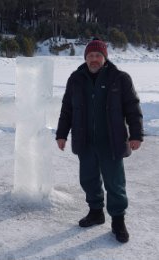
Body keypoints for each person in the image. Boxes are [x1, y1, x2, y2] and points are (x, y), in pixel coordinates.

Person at [56, 38, 144, 243]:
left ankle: (118, 219)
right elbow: (67, 109)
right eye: (90, 56)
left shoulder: (120, 78)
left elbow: (132, 107)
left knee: (115, 182)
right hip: (85, 140)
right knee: (88, 179)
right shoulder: (75, 79)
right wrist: (61, 134)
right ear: (85, 58)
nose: (93, 59)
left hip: (111, 141)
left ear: (105, 58)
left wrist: (136, 134)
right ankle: (96, 212)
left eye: (97, 56)